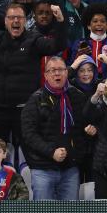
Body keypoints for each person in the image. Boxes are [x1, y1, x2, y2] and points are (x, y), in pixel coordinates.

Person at [0, 3, 67, 152]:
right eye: (11, 17)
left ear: (25, 21)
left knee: (31, 156)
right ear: (5, 21)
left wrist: (60, 22)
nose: (15, 21)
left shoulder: (34, 40)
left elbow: (56, 46)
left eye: (19, 17)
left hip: (25, 111)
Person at [20, 56, 89, 200]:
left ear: (67, 72)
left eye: (61, 70)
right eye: (52, 70)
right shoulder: (35, 99)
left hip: (70, 168)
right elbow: (29, 134)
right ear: (46, 75)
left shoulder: (77, 97)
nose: (57, 73)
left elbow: (84, 126)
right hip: (43, 169)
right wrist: (51, 152)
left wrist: (79, 154)